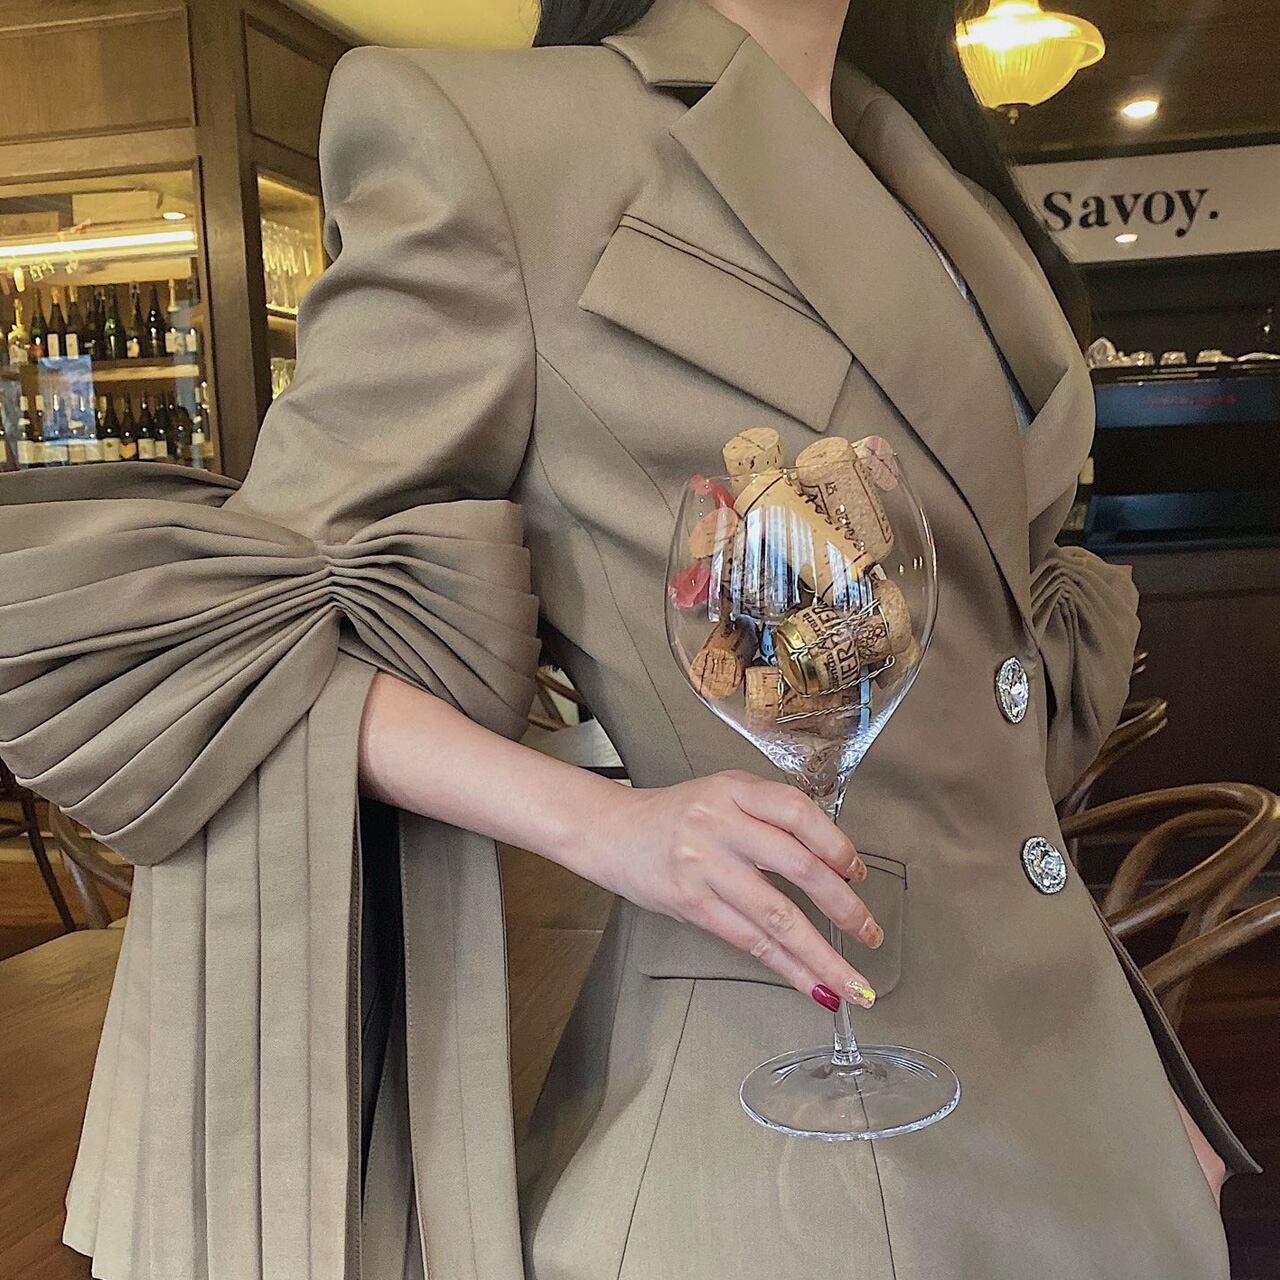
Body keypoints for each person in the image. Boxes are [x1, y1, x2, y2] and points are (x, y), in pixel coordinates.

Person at [0, 0, 1256, 1276]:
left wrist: (1130, 1071)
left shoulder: (928, 172)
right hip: (808, 1132)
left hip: (1076, 1065)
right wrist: (601, 824)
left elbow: (987, 711)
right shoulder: (500, 148)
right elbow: (234, 629)